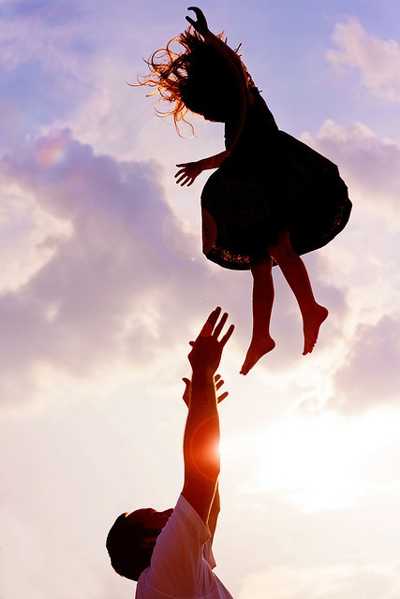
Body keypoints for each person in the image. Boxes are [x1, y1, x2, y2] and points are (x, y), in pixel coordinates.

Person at [134, 7, 352, 374]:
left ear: (216, 95)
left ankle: (311, 308)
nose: (206, 118)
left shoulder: (245, 97)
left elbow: (235, 66)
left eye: (205, 111)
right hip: (256, 189)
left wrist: (207, 36)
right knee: (259, 262)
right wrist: (201, 165)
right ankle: (262, 335)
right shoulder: (234, 123)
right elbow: (234, 154)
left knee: (278, 246)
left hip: (278, 180)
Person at [106, 307, 235, 598]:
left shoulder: (177, 573)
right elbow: (203, 477)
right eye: (154, 514)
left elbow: (210, 503)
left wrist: (201, 402)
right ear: (148, 540)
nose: (167, 511)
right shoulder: (165, 568)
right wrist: (202, 371)